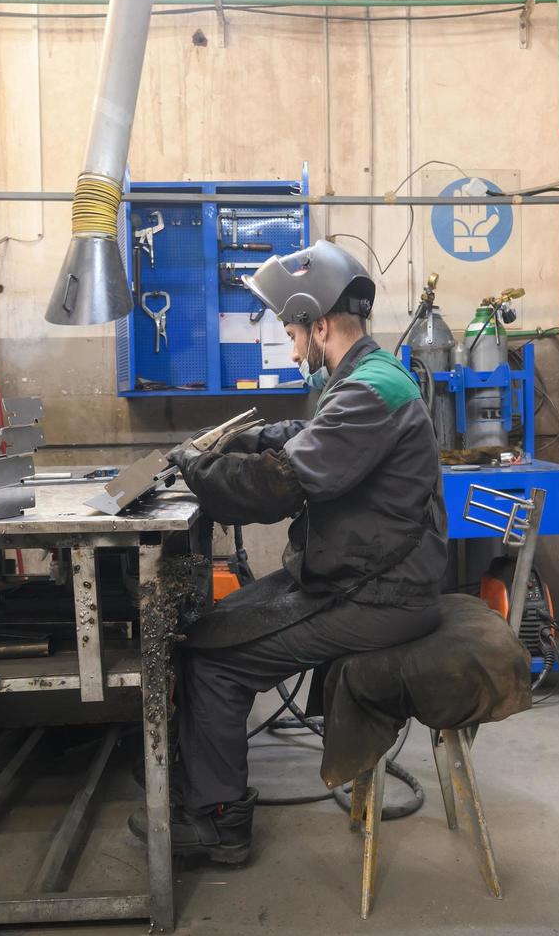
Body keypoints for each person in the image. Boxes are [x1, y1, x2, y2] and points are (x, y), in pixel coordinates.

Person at [130, 239, 447, 864]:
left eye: (290, 329)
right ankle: (202, 787)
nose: (290, 342)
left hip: (378, 593)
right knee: (216, 626)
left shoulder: (368, 391)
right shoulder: (366, 376)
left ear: (320, 323)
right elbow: (308, 436)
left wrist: (197, 467)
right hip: (362, 577)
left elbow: (280, 486)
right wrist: (245, 437)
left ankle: (219, 823)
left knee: (210, 661)